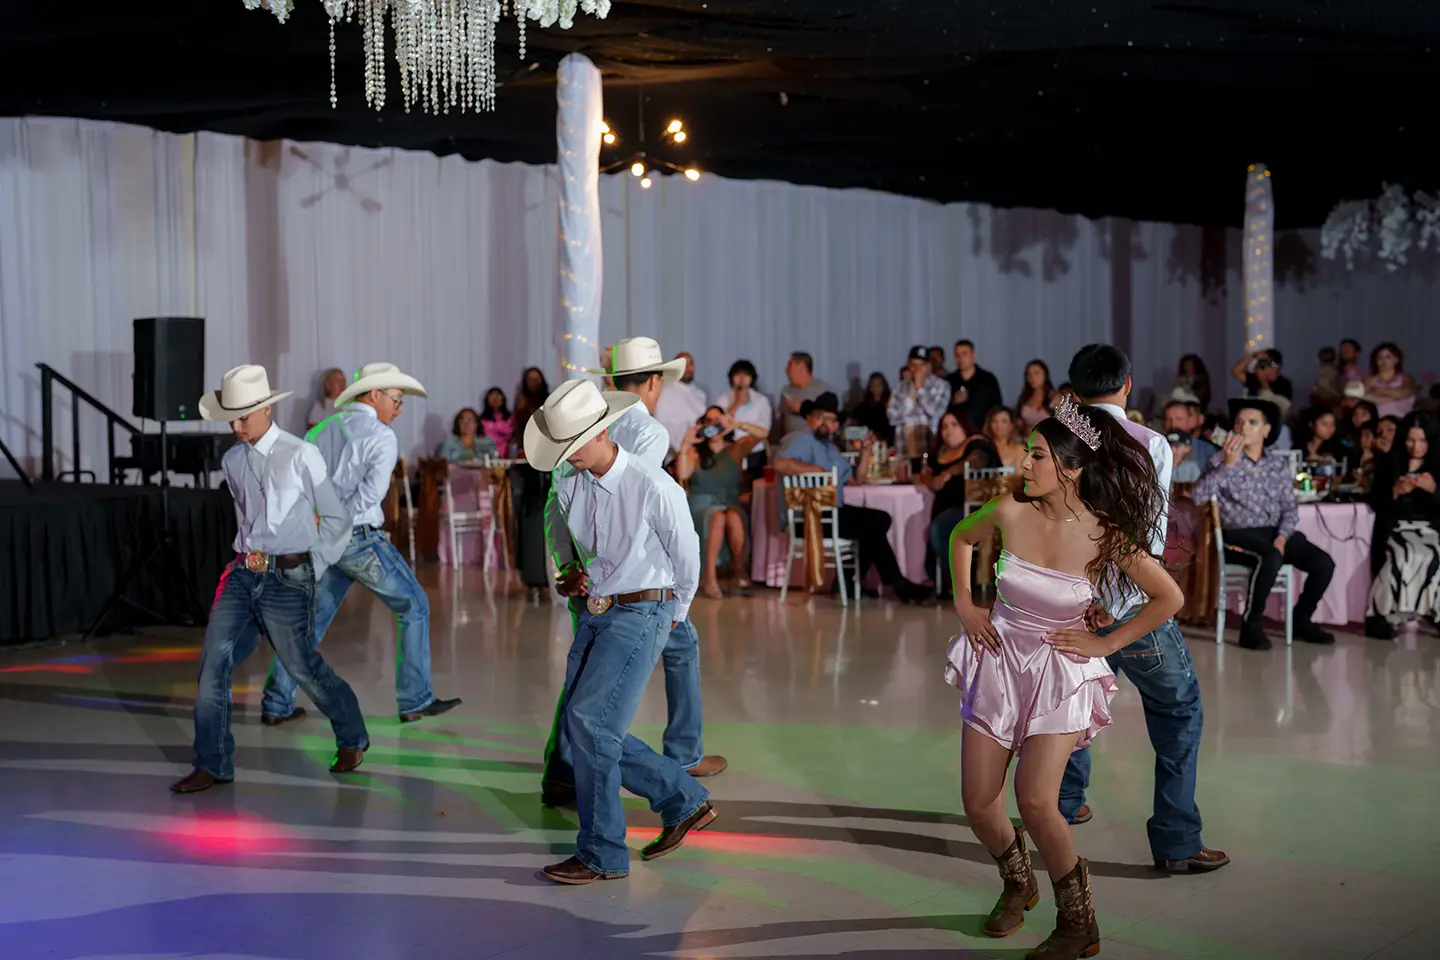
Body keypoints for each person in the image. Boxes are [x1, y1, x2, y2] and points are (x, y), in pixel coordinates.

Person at [945, 394, 1183, 958]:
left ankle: (1079, 923)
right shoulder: (1009, 510)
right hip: (999, 662)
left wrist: (1108, 640)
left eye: (1037, 455)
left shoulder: (1104, 533)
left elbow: (1168, 596)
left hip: (1060, 674)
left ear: (1071, 470)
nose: (1024, 464)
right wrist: (966, 604)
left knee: (1035, 802)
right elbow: (961, 537)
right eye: (1027, 452)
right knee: (978, 802)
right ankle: (1017, 882)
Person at [528, 379, 716, 884]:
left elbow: (688, 560)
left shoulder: (653, 485)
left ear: (603, 430)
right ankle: (682, 800)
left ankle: (603, 851)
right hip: (597, 609)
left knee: (590, 722)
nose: (568, 455)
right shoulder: (569, 482)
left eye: (574, 444)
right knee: (584, 724)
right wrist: (571, 570)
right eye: (562, 447)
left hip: (643, 611)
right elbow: (565, 535)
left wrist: (670, 616)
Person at [1058, 345, 1229, 875]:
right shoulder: (1150, 442)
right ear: (1127, 385)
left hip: (1070, 599)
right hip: (1131, 603)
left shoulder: (1058, 435)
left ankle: (1061, 804)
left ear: (1074, 390)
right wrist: (1115, 601)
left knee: (1073, 705)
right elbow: (1148, 529)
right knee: (1178, 711)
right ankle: (1177, 841)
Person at [172, 365, 368, 794]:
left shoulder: (301, 454)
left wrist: (312, 566)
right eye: (231, 417)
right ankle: (212, 762)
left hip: (289, 577)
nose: (235, 425)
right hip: (242, 572)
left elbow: (336, 518)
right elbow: (248, 519)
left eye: (243, 416)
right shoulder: (232, 460)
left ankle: (352, 734)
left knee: (302, 666)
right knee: (213, 662)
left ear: (266, 409)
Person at [262, 362, 462, 725]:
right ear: (373, 395)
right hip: (357, 540)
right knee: (414, 605)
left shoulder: (321, 430)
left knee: (310, 621)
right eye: (396, 400)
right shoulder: (381, 436)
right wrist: (339, 522)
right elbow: (371, 494)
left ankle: (277, 703)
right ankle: (415, 698)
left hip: (323, 539)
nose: (399, 409)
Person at [1194, 397, 1338, 650]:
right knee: (1270, 556)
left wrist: (1282, 536)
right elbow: (1198, 497)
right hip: (1236, 534)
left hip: (1273, 533)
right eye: (1239, 422)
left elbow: (1290, 508)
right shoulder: (1220, 460)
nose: (1243, 427)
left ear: (1267, 430)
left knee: (1324, 563)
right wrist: (1228, 465)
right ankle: (1251, 625)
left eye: (1252, 422)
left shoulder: (1277, 464)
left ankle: (1302, 619)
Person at [772, 393, 930, 603]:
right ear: (810, 418)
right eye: (820, 417)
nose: (824, 423)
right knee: (874, 523)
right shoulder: (801, 439)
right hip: (808, 517)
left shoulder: (831, 448)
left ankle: (848, 580)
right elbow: (779, 464)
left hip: (832, 513)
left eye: (830, 420)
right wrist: (816, 470)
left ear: (836, 425)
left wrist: (866, 452)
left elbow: (856, 481)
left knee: (880, 519)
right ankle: (891, 583)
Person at [1365, 414, 1440, 640]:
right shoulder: (1389, 463)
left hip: (1431, 527)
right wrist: (1395, 492)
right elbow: (1376, 501)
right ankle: (1382, 615)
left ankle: (1434, 612)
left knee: (1434, 553)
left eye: (1422, 441)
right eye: (1410, 440)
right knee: (1404, 554)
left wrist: (1434, 490)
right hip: (1397, 527)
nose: (1416, 447)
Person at [946, 339, 1003, 434]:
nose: (961, 358)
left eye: (964, 354)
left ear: (973, 355)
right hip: (956, 433)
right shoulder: (949, 381)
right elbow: (942, 410)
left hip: (983, 432)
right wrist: (953, 401)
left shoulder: (988, 379)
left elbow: (997, 407)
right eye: (957, 355)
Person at [779, 351, 832, 437]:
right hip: (789, 441)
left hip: (814, 441)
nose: (786, 369)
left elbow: (829, 419)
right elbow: (782, 419)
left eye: (790, 365)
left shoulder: (822, 390)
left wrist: (802, 409)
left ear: (801, 367)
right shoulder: (786, 390)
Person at [1365, 342, 1419, 420]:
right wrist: (1393, 397)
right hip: (1378, 422)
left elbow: (1404, 393)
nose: (1383, 360)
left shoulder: (1407, 378)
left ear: (1396, 359)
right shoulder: (1369, 379)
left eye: (1388, 357)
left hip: (1403, 421)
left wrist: (1378, 391)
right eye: (1379, 357)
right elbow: (1365, 398)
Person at [435, 407, 500, 462]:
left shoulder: (487, 441)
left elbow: (495, 461)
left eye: (470, 420)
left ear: (476, 424)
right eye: (463, 420)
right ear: (458, 424)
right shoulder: (450, 443)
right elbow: (442, 465)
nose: (466, 423)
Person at [1016, 359, 1056, 431]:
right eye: (1029, 374)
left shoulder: (1054, 397)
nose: (1033, 378)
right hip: (1027, 436)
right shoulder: (1024, 398)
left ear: (1045, 375)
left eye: (1036, 373)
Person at [479, 387, 515, 456]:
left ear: (503, 399)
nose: (495, 398)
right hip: (488, 454)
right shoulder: (482, 419)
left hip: (507, 454)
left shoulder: (510, 417)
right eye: (492, 396)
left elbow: (511, 434)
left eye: (498, 395)